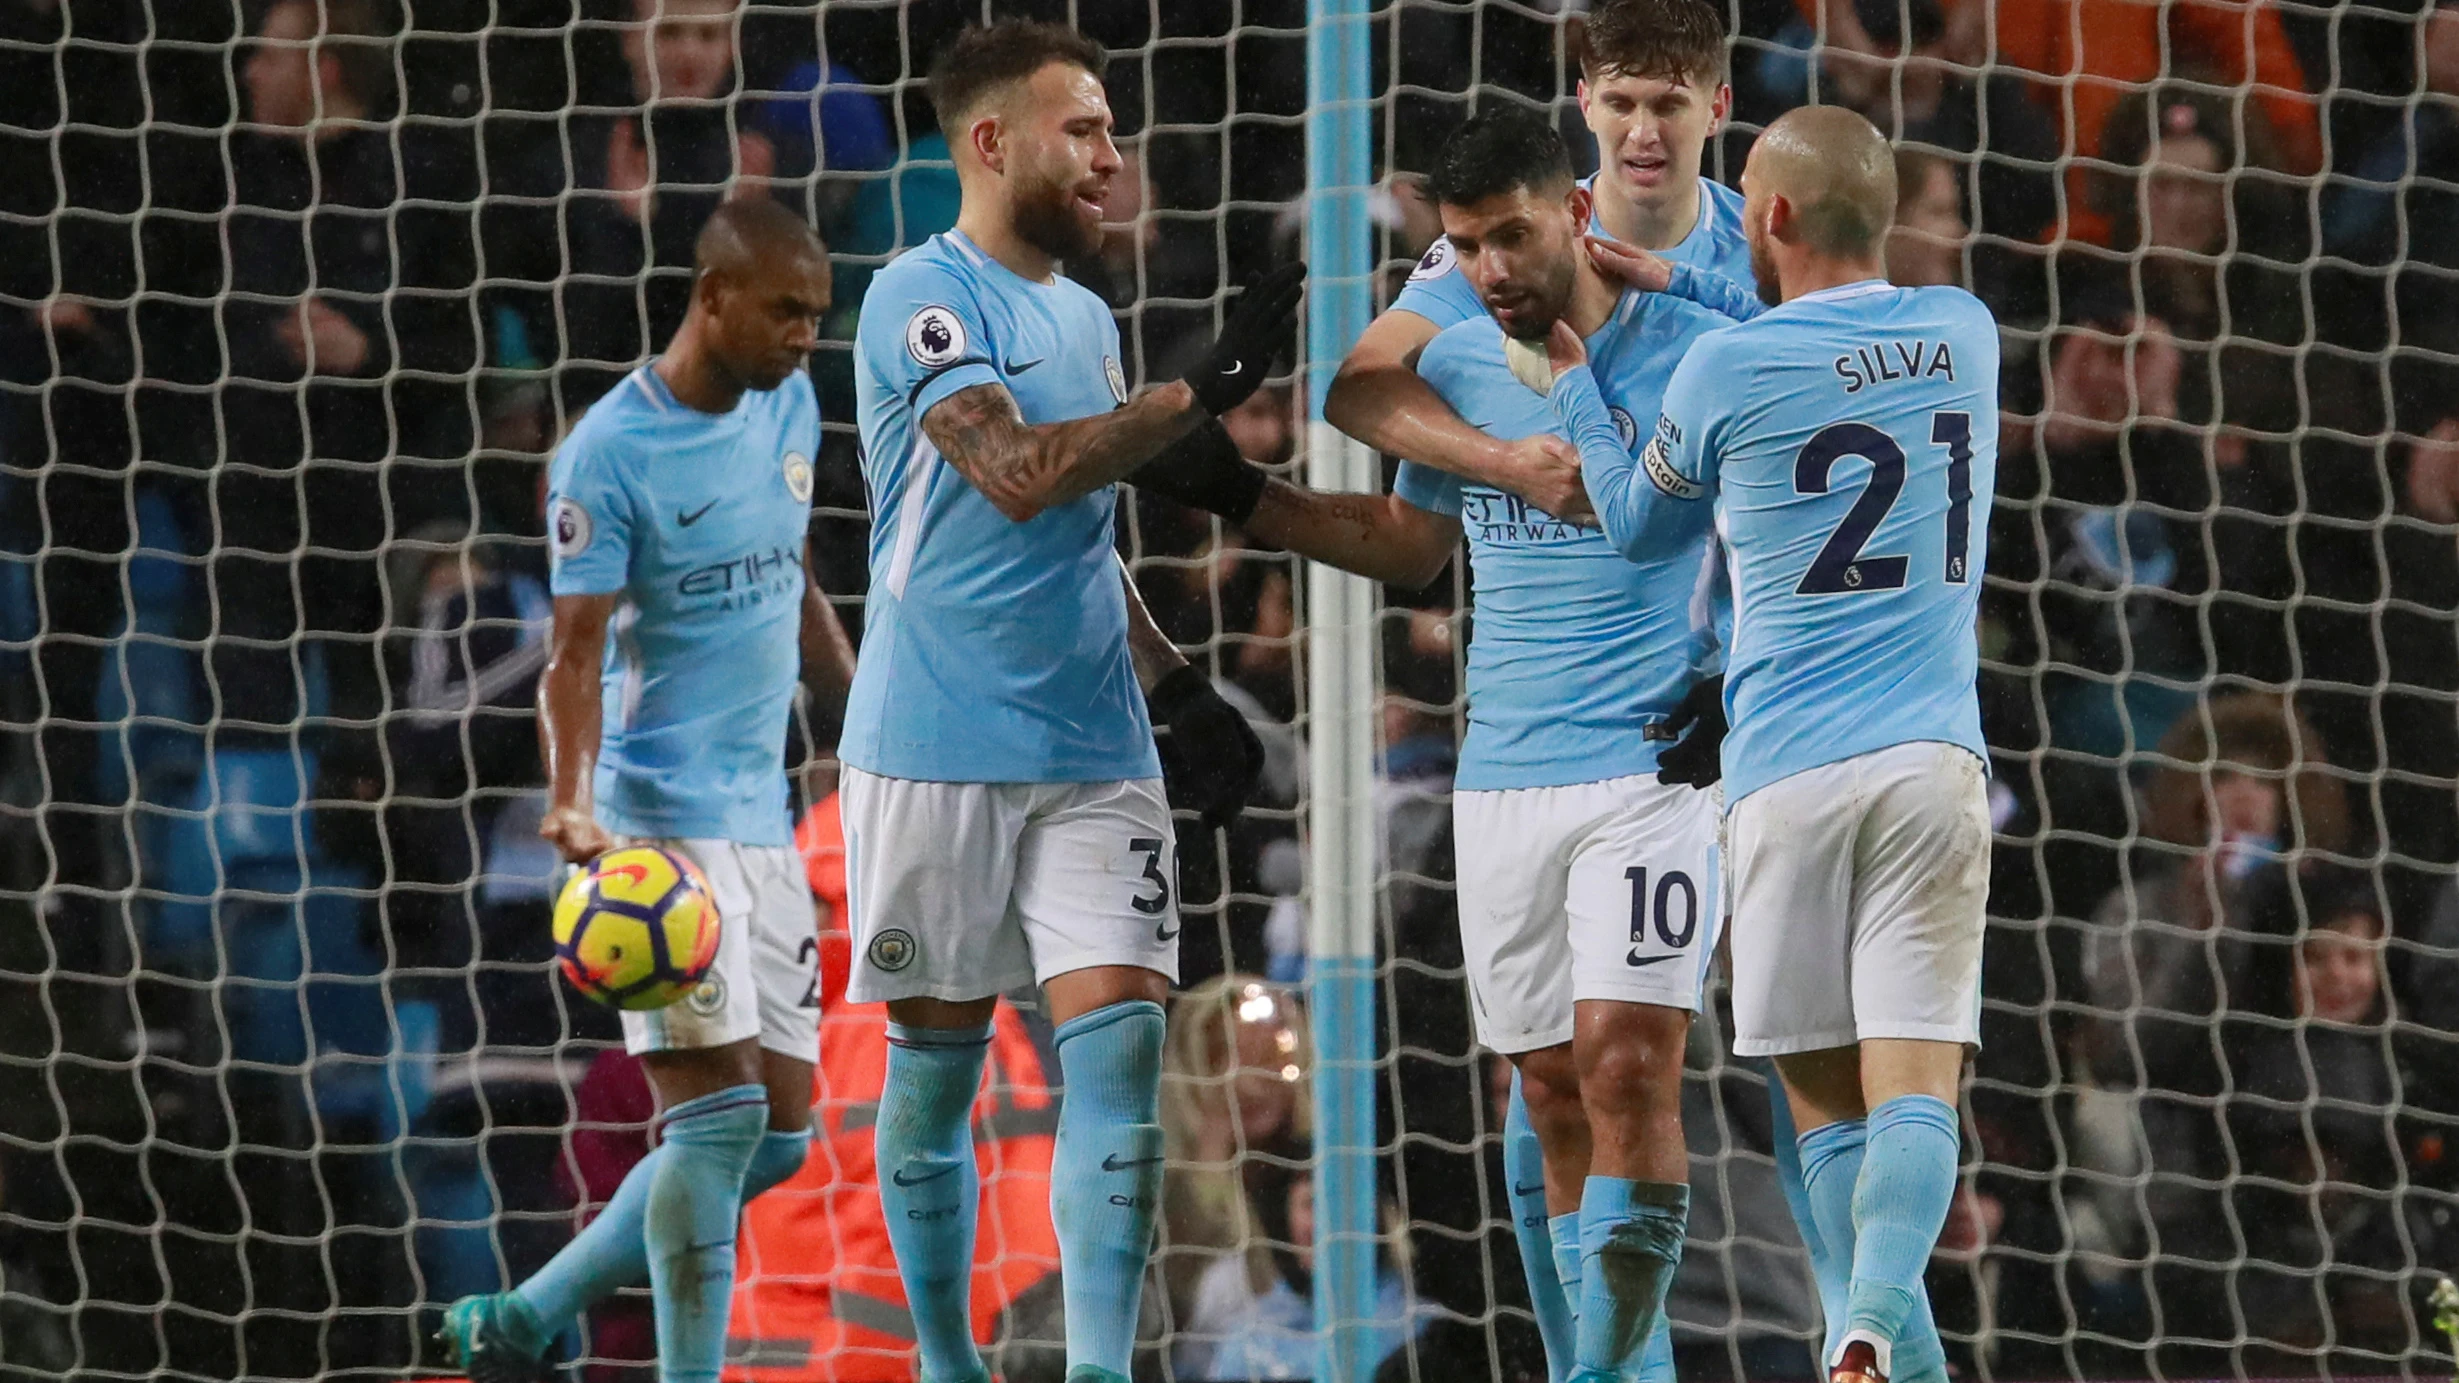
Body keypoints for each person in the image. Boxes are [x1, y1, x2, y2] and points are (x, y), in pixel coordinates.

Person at [1146, 107, 1735, 1383]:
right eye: (1466, 248)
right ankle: (1600, 1362)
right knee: (1545, 1092)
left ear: (1574, 213)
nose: (1492, 270)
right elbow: (1411, 550)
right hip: (1503, 778)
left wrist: (1737, 677)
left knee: (1630, 1064)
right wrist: (1248, 496)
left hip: (1651, 765)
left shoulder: (1695, 341)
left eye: (1512, 238)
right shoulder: (1456, 356)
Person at [837, 20, 1291, 1383]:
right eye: (1081, 129)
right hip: (933, 741)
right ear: (991, 142)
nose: (1109, 154)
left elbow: (1079, 534)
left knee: (1123, 1057)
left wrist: (1171, 679)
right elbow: (1017, 470)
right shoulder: (918, 298)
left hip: (1095, 738)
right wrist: (1186, 396)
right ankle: (943, 1363)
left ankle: (1097, 1367)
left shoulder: (1086, 318)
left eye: (1108, 128)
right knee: (933, 1083)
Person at [1587, 105, 2002, 1383]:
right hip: (1930, 765)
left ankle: (1856, 1329)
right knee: (1919, 1085)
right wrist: (1686, 277)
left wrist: (1565, 361)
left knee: (1822, 1111)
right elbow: (1814, 305)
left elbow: (1635, 528)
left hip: (1779, 777)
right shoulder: (1964, 333)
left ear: (1763, 217)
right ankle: (1876, 1336)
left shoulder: (1719, 372)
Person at [434, 198, 857, 1383]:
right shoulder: (606, 450)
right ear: (711, 297)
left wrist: (856, 707)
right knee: (715, 1133)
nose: (803, 336)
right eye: (784, 312)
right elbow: (570, 654)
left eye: (816, 317)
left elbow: (793, 567)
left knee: (775, 1141)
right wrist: (572, 801)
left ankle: (522, 1316)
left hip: (761, 817)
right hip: (658, 832)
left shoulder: (790, 401)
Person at [1327, 0, 1752, 526]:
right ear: (1586, 103)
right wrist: (1505, 465)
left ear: (1717, 109)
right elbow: (1359, 387)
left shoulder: (1768, 244)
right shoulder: (1507, 240)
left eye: (1667, 106)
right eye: (1619, 104)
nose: (1642, 133)